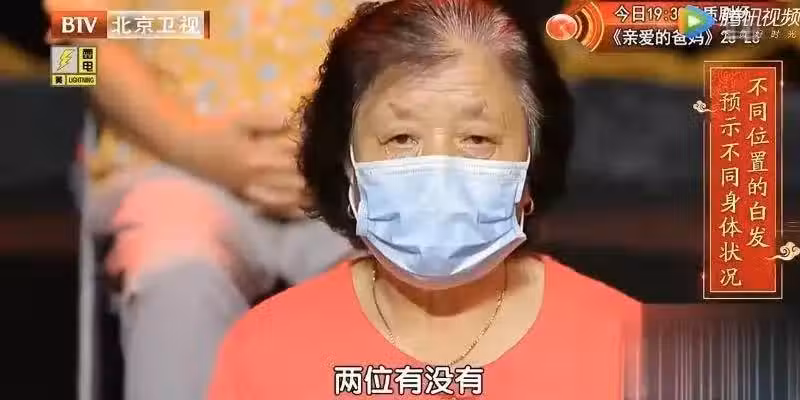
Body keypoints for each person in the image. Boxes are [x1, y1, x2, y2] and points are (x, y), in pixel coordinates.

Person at [209, 0, 643, 398]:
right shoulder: (269, 349)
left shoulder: (629, 348)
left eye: (477, 138)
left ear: (533, 161)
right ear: (347, 163)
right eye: (401, 138)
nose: (439, 172)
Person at [43, 0, 359, 399]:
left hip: (360, 174)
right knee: (178, 277)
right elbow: (68, 51)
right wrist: (191, 146)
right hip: (172, 169)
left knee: (399, 280)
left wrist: (343, 156)